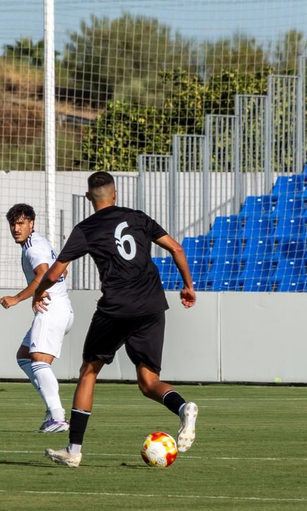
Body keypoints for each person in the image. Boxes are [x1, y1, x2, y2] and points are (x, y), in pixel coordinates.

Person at [30, 171, 198, 468]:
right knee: (148, 382)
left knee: (88, 372)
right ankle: (183, 407)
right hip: (152, 306)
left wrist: (39, 292)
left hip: (117, 308)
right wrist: (188, 286)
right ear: (115, 193)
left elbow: (54, 273)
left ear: (88, 198)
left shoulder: (86, 228)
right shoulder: (138, 217)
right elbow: (177, 248)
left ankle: (73, 450)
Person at [0, 202, 74, 434]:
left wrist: (17, 298)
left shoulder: (33, 247)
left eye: (21, 223)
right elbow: (63, 270)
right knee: (24, 357)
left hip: (52, 308)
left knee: (39, 361)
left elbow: (42, 274)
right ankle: (53, 410)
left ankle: (58, 417)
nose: (16, 228)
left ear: (31, 223)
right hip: (60, 307)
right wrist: (38, 292)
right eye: (13, 224)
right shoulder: (40, 242)